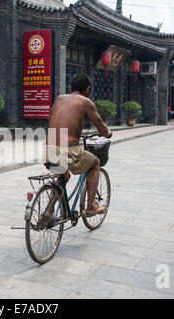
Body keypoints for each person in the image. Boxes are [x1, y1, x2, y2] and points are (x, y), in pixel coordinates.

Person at [44, 74, 112, 220]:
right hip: (68, 150)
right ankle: (90, 207)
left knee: (64, 175)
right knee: (95, 163)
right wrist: (108, 133)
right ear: (88, 89)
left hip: (49, 149)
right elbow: (101, 127)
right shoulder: (86, 102)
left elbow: (50, 117)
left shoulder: (59, 99)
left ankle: (48, 212)